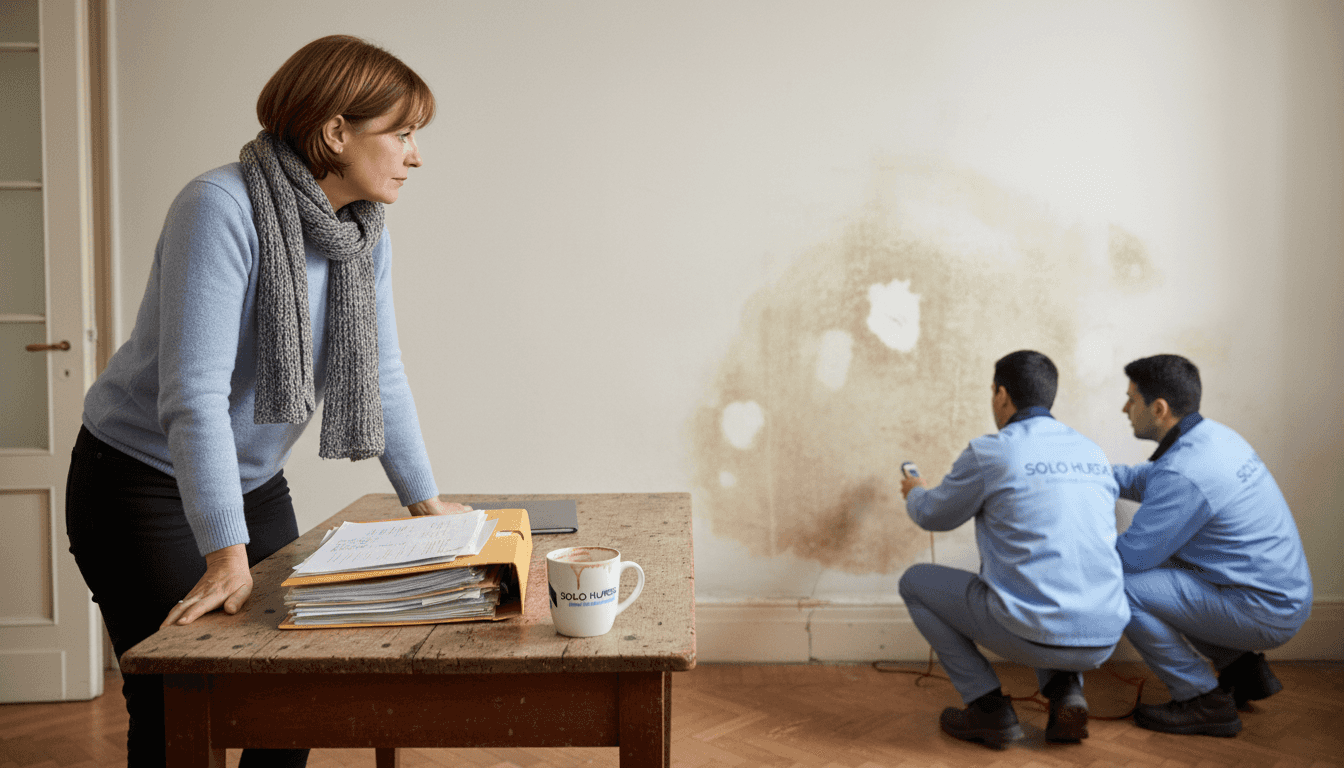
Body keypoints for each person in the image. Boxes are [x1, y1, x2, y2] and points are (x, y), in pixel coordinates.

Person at [64, 36, 467, 768]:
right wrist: (225, 555)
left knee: (292, 694)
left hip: (251, 483)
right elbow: (193, 397)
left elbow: (380, 371)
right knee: (174, 699)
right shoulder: (219, 207)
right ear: (336, 131)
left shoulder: (360, 233)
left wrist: (424, 501)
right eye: (402, 134)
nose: (415, 155)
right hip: (136, 484)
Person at [898, 350, 1129, 750]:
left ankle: (988, 710)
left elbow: (934, 516)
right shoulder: (1091, 451)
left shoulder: (992, 451)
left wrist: (915, 492)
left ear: (1001, 395)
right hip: (1105, 634)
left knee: (915, 582)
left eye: (994, 394)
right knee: (1046, 579)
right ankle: (1066, 696)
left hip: (1036, 632)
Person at [1115, 354, 1312, 737]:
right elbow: (1151, 479)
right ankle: (1242, 670)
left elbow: (1131, 558)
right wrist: (1091, 475)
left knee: (1122, 587)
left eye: (1131, 399)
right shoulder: (1214, 437)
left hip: (1263, 609)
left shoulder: (1186, 471)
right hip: (1281, 594)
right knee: (1168, 566)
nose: (1125, 408)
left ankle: (1201, 700)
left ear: (1159, 408)